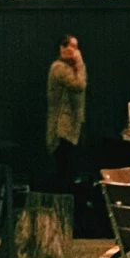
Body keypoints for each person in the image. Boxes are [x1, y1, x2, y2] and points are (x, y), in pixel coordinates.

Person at [44, 34, 86, 189]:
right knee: (64, 171)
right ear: (60, 48)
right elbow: (79, 85)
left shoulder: (70, 69)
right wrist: (80, 63)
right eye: (66, 45)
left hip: (71, 128)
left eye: (74, 47)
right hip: (61, 129)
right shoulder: (59, 68)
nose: (70, 50)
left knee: (70, 170)